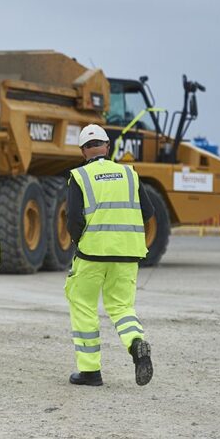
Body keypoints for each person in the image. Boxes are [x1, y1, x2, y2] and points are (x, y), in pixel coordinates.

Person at [64, 124, 155, 387]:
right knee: (122, 308)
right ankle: (136, 343)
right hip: (128, 253)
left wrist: (78, 241)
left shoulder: (80, 176)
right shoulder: (129, 174)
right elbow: (148, 212)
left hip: (91, 254)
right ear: (108, 147)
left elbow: (73, 218)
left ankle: (90, 372)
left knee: (83, 306)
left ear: (83, 151)